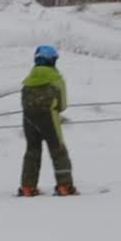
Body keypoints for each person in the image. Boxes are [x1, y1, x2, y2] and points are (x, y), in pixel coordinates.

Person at [19, 43, 76, 196]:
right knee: (58, 151)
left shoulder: (28, 80)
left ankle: (27, 187)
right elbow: (62, 105)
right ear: (52, 60)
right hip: (49, 118)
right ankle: (65, 186)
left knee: (32, 151)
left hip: (28, 119)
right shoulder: (56, 78)